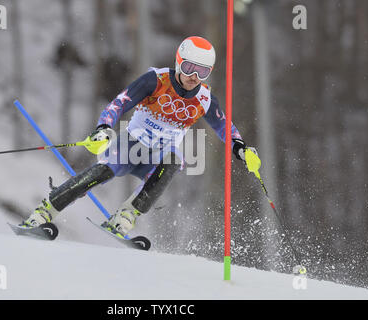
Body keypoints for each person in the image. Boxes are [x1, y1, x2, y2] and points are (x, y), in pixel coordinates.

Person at [21, 36, 258, 238]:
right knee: (103, 171)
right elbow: (119, 103)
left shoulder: (205, 99)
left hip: (158, 156)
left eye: (202, 71)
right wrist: (104, 127)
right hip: (132, 145)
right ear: (178, 61)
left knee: (175, 161)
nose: (194, 76)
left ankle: (127, 215)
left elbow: (224, 126)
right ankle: (45, 211)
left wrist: (241, 148)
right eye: (188, 68)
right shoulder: (156, 80)